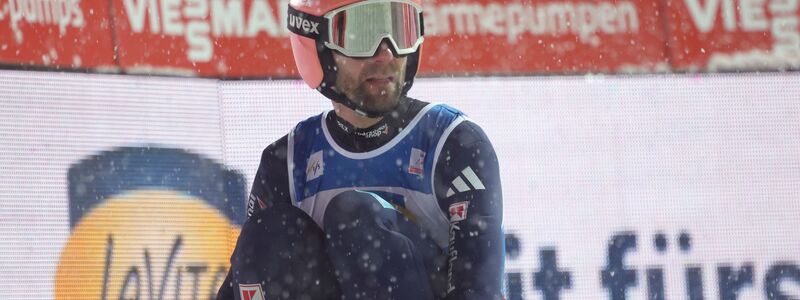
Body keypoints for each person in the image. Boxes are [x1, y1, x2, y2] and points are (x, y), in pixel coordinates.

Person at [216, 0, 504, 299]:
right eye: (361, 33)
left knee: (354, 215)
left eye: (399, 28)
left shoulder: (454, 144)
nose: (387, 53)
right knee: (267, 236)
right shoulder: (287, 161)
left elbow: (481, 290)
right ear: (317, 45)